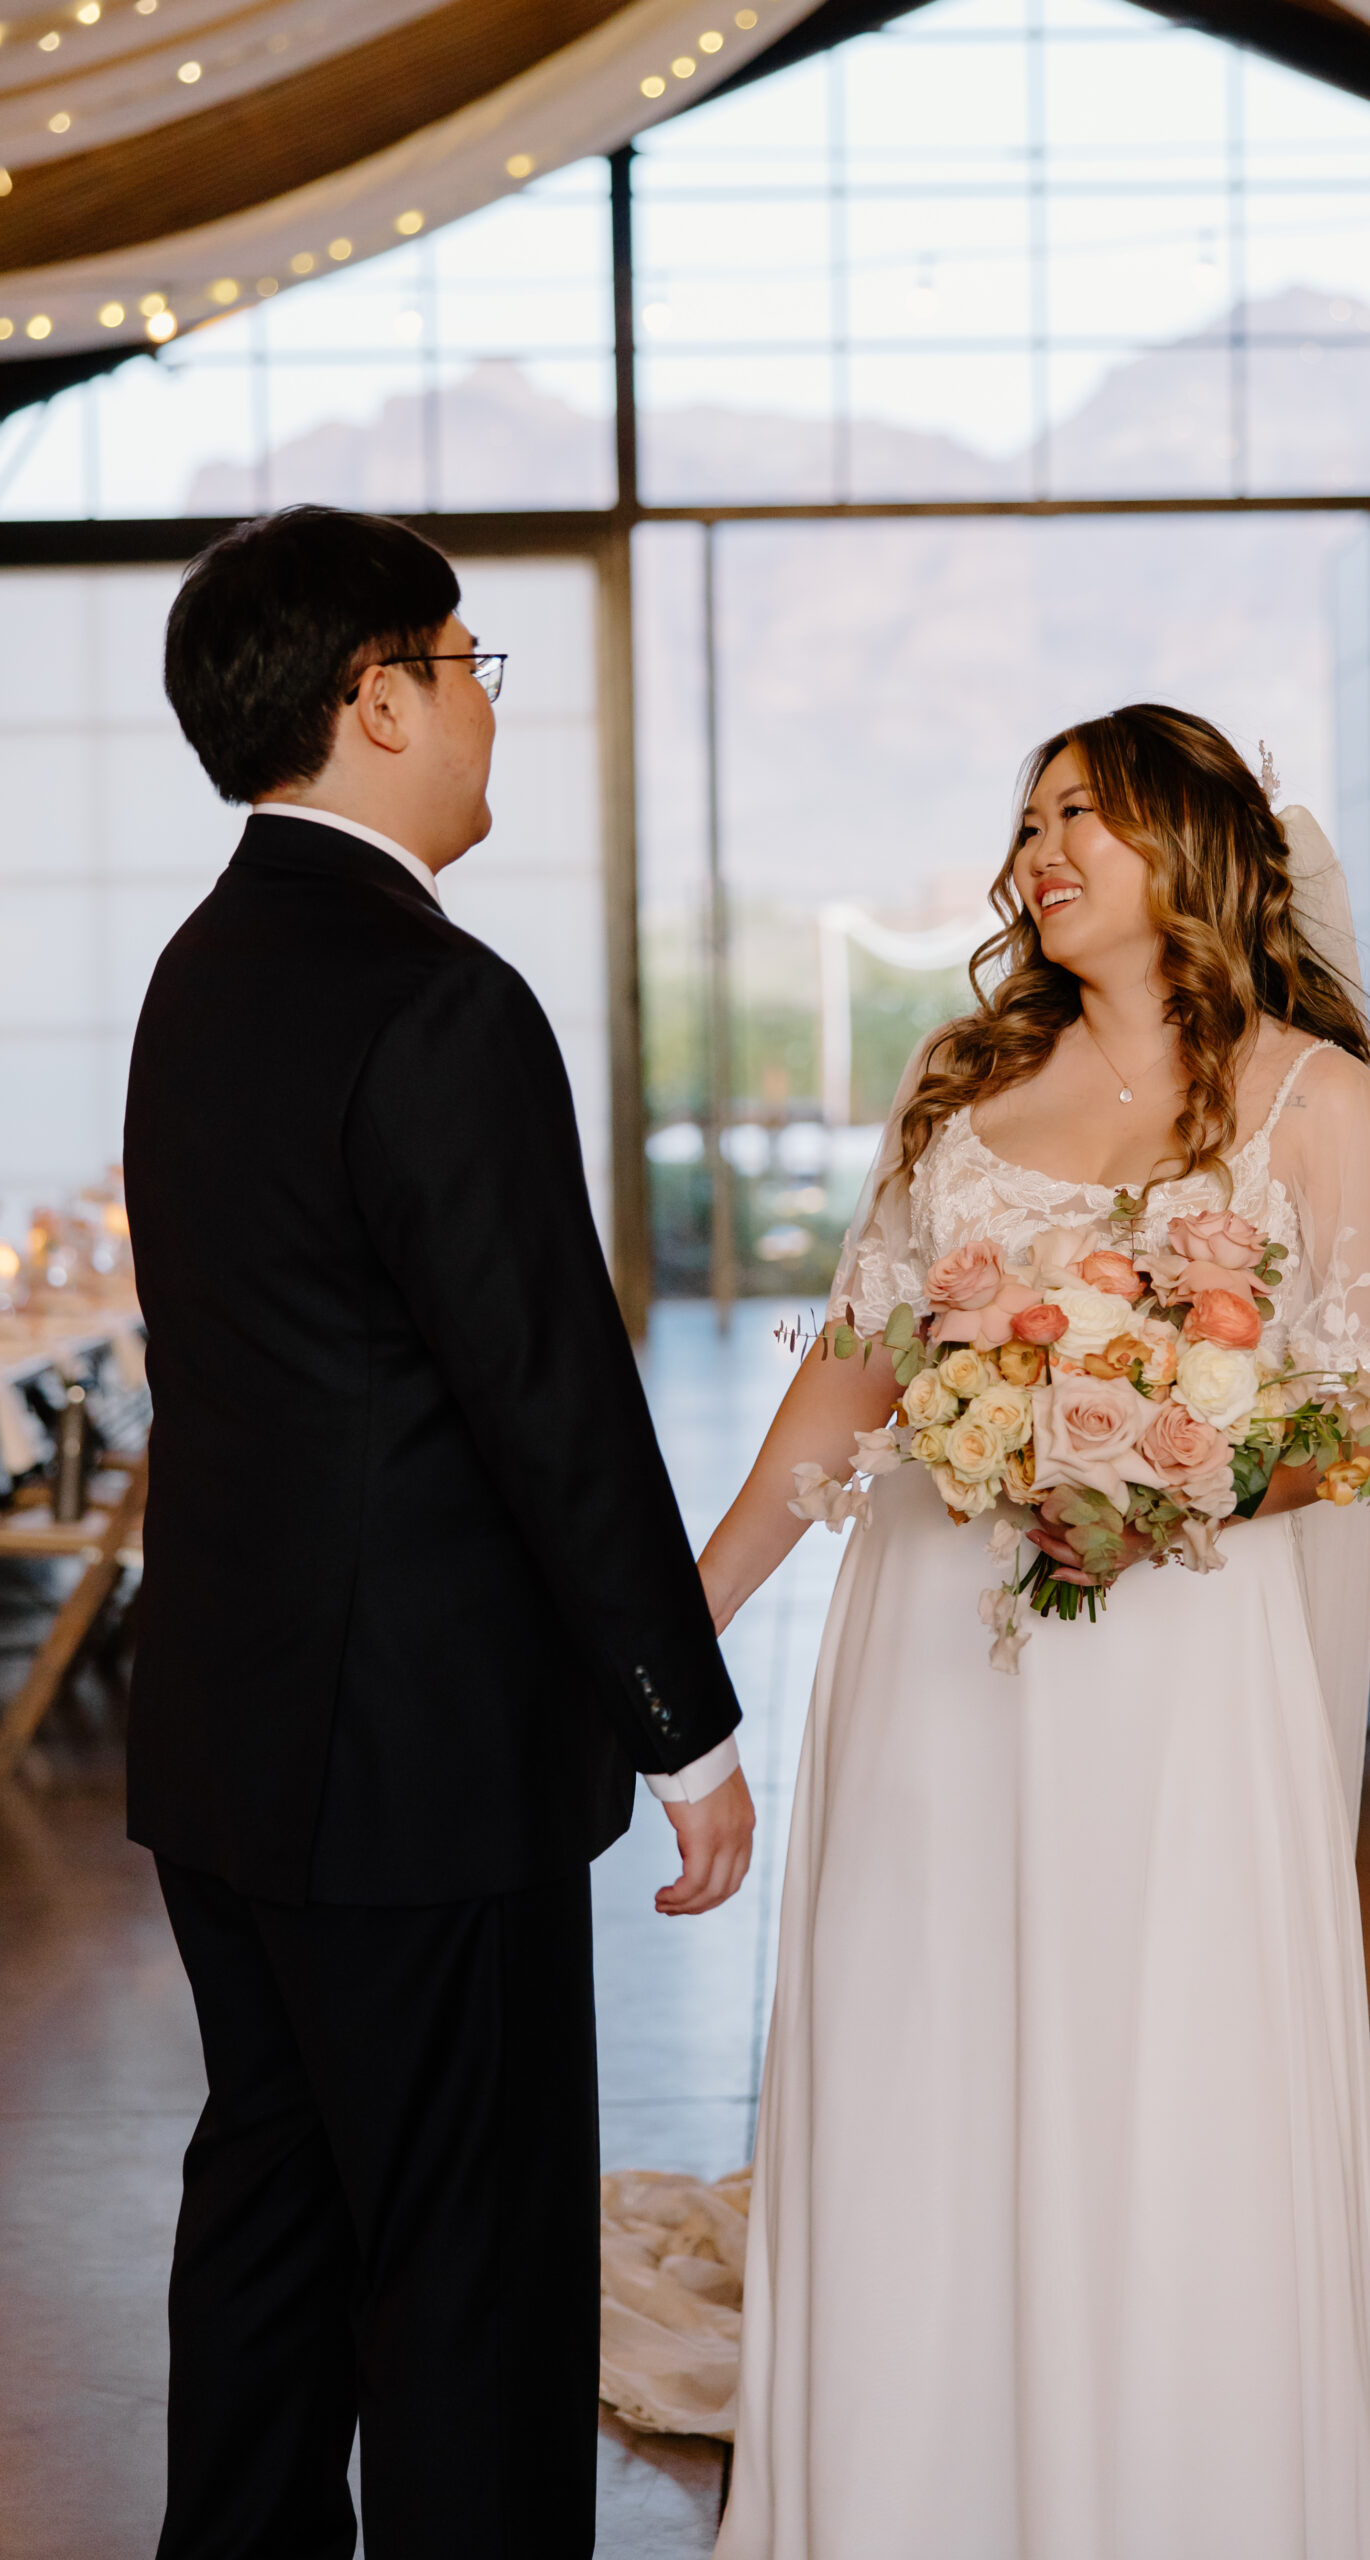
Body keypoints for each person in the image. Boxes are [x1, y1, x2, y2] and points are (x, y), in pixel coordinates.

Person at [701, 704, 1370, 2559]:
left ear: (1192, 852)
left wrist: (1165, 1475)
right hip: (936, 1670)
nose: (1040, 853)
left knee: (1168, 2069)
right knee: (924, 2058)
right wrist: (676, 1631)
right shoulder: (963, 1096)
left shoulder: (1313, 1103)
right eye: (1030, 818)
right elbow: (851, 1384)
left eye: (1085, 820)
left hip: (1180, 1680)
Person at [123, 504, 755, 2560]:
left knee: (274, 2230)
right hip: (418, 1766)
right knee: (472, 2276)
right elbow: (545, 1400)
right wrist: (686, 1718)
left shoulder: (197, 971)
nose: (488, 707)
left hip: (227, 1737)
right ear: (374, 696)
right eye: (470, 664)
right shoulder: (438, 998)